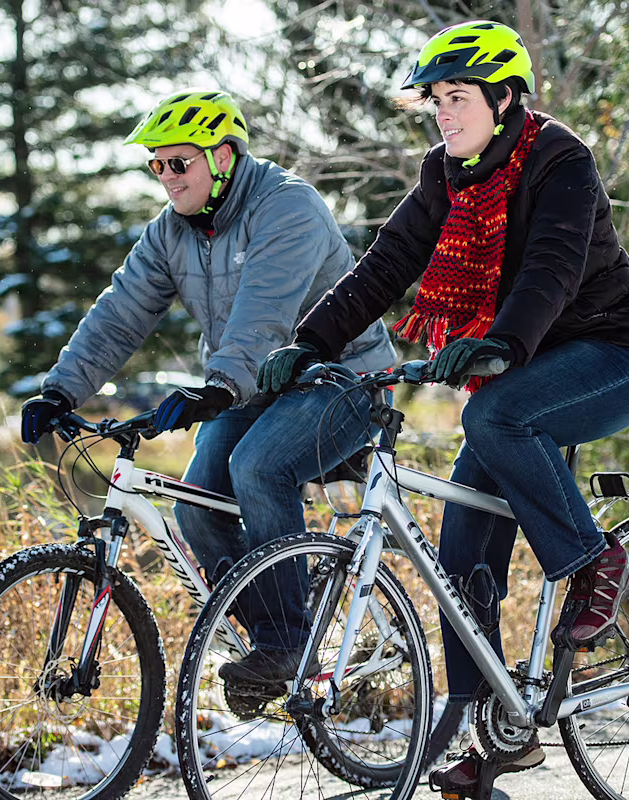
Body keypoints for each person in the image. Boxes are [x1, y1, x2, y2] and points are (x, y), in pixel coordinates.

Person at [257, 20, 629, 793]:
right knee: (459, 558)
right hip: (527, 365)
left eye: (458, 97)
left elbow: (551, 269)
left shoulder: (560, 162)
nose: (443, 114)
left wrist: (503, 346)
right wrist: (310, 343)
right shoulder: (443, 174)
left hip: (618, 353)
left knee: (492, 415)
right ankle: (497, 730)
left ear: (505, 97)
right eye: (436, 101)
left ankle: (593, 561)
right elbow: (381, 270)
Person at [20, 88, 396, 685]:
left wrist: (217, 385)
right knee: (195, 507)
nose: (166, 177)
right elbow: (121, 315)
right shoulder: (170, 233)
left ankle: (287, 646)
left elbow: (263, 313)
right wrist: (61, 390)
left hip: (343, 380)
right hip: (251, 388)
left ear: (223, 157)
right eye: (156, 164)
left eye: (179, 162)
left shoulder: (286, 207)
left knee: (257, 467)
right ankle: (276, 637)